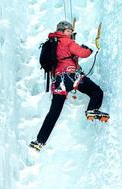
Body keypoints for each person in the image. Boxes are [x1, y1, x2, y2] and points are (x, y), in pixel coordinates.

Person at [30, 21, 109, 151]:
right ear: (63, 31)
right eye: (69, 31)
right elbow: (83, 53)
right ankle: (92, 109)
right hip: (71, 76)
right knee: (96, 91)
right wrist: (88, 50)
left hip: (58, 82)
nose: (71, 33)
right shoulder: (67, 41)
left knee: (54, 112)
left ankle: (39, 141)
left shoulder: (52, 44)